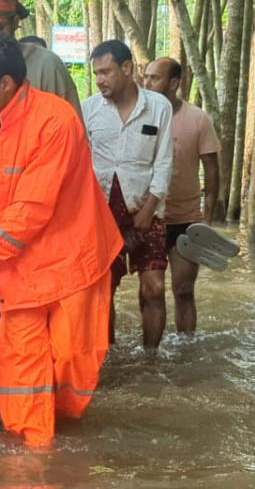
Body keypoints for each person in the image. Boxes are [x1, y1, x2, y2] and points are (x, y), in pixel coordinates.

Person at [0, 36, 122, 450]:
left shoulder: (55, 120)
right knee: (21, 374)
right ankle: (28, 463)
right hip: (17, 270)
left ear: (6, 84)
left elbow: (33, 204)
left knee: (74, 363)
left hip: (72, 263)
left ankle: (60, 434)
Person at [84, 40, 173, 354]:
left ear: (127, 68)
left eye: (106, 71)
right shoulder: (89, 109)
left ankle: (150, 358)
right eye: (96, 73)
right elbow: (82, 166)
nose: (100, 80)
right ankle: (106, 358)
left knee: (155, 288)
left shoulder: (158, 107)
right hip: (99, 215)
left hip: (145, 209)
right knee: (103, 291)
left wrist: (149, 209)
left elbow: (163, 161)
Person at [144, 57, 222, 336]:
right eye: (146, 76)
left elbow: (212, 170)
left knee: (184, 290)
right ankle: (150, 355)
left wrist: (207, 218)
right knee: (150, 290)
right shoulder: (139, 116)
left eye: (154, 78)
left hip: (186, 220)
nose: (147, 82)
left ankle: (186, 353)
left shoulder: (197, 119)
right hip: (149, 218)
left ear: (174, 83)